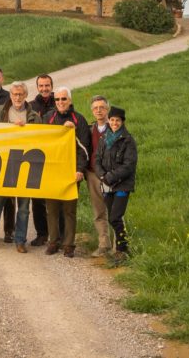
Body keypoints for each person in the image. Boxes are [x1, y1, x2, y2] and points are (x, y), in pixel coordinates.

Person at [0, 81, 40, 252]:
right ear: (10, 95)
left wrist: (26, 129)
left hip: (26, 167)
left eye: (21, 94)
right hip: (4, 166)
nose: (17, 97)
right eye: (14, 94)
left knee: (24, 208)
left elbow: (41, 140)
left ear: (26, 96)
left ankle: (20, 240)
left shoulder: (34, 116)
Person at [42, 87, 92, 258]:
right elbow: (41, 143)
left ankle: (69, 244)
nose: (61, 102)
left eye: (64, 99)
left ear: (70, 100)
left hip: (71, 172)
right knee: (52, 209)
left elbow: (84, 148)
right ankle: (53, 242)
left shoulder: (79, 119)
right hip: (52, 171)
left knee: (69, 210)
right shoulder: (48, 118)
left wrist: (80, 170)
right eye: (57, 100)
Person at [97, 106, 137, 266]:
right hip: (106, 184)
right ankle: (121, 246)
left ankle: (123, 249)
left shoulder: (128, 140)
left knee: (115, 217)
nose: (114, 123)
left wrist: (109, 177)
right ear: (109, 120)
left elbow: (129, 165)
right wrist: (102, 175)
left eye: (117, 120)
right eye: (112, 120)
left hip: (122, 186)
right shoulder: (103, 138)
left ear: (122, 122)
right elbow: (97, 158)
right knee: (113, 217)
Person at [28, 74, 57, 245]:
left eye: (47, 85)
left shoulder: (60, 102)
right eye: (41, 85)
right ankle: (41, 233)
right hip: (36, 158)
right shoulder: (31, 106)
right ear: (37, 87)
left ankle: (57, 235)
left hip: (54, 158)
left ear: (51, 86)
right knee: (37, 199)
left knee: (55, 198)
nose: (44, 88)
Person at [86, 95, 113, 257]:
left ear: (107, 109)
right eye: (95, 108)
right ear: (92, 111)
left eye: (101, 107)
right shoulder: (90, 129)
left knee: (115, 211)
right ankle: (104, 244)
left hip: (111, 175)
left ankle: (120, 247)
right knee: (99, 211)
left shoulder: (116, 128)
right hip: (93, 174)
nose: (98, 110)